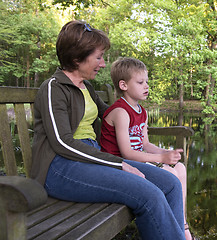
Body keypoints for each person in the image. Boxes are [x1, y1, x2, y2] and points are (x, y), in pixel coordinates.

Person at [30, 20, 185, 240]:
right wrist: (118, 162)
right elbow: (62, 142)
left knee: (169, 183)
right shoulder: (53, 88)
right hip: (60, 168)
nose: (103, 64)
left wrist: (137, 114)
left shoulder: (86, 87)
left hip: (93, 159)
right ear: (77, 57)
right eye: (99, 57)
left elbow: (112, 114)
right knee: (148, 193)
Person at [100, 57, 193, 240]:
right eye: (140, 82)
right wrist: (160, 160)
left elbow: (144, 144)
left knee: (180, 168)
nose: (146, 86)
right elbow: (127, 152)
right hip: (120, 165)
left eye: (147, 82)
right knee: (170, 175)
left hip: (137, 160)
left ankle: (182, 226)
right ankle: (178, 232)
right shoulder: (120, 112)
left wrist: (164, 153)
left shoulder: (141, 112)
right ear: (124, 85)